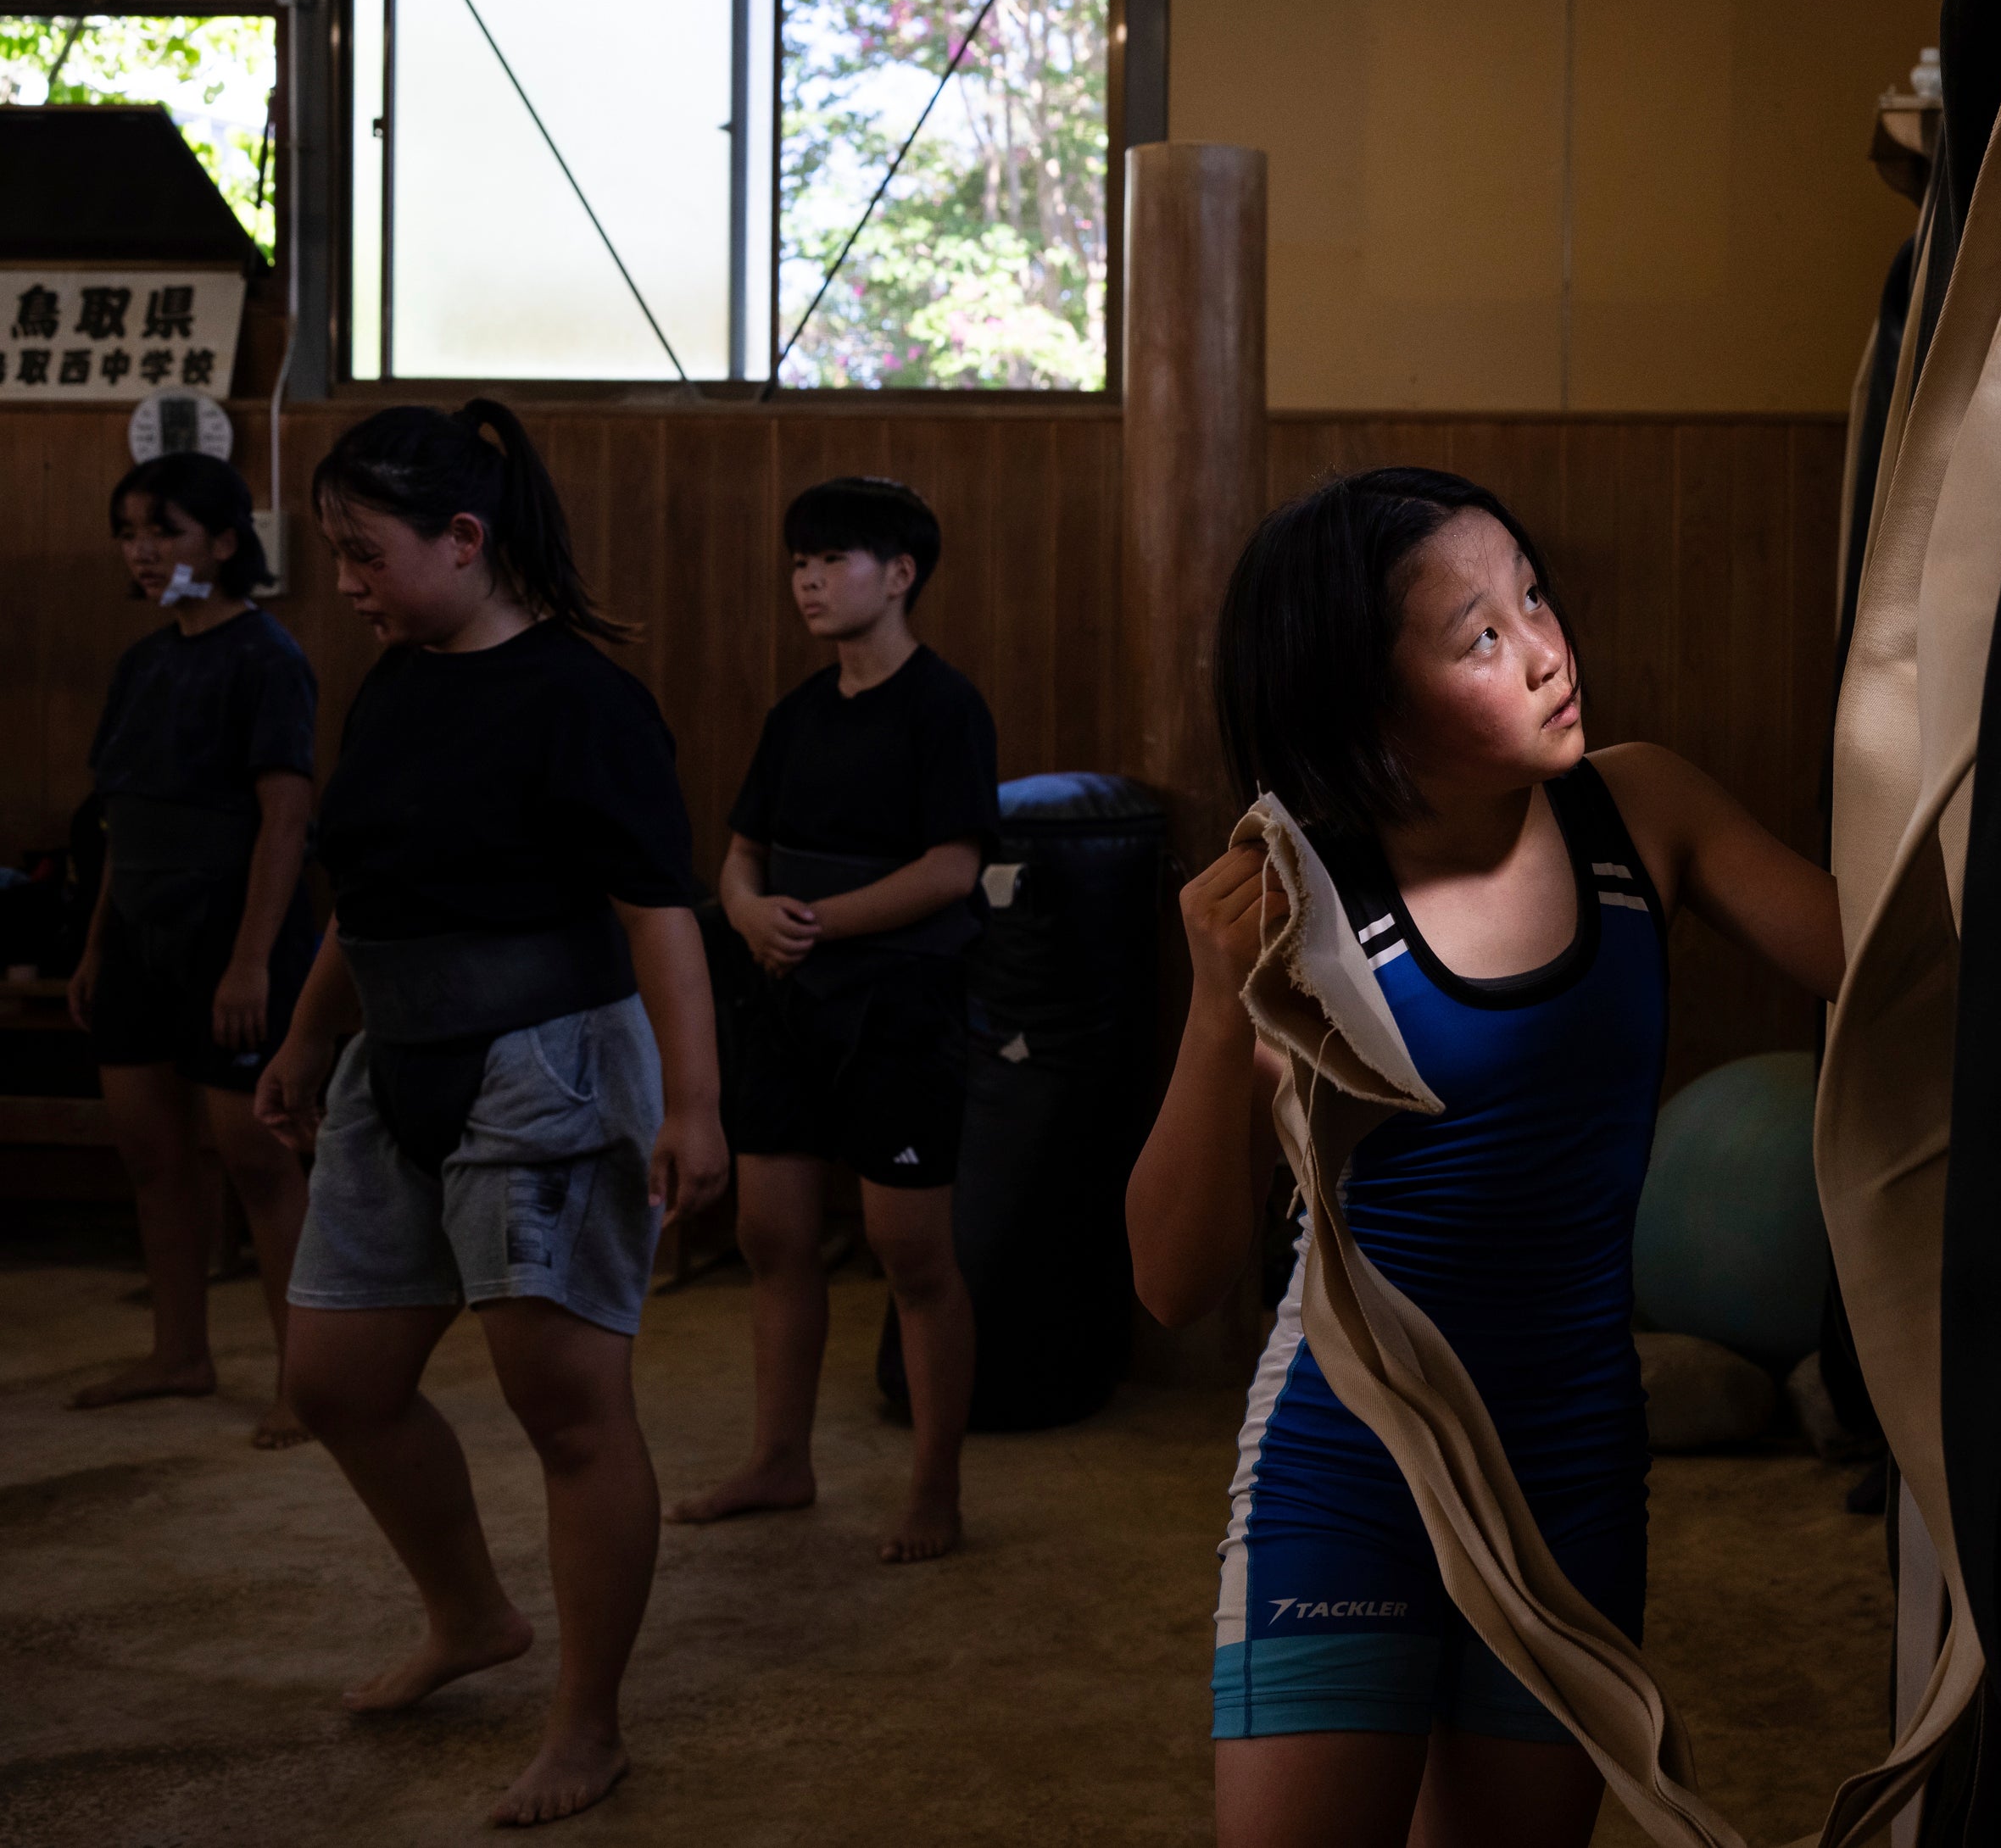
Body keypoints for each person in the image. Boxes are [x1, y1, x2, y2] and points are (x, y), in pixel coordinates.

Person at [1129, 468, 1844, 1848]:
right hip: (1352, 1468)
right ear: (1362, 703)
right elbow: (1171, 1278)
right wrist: (1218, 1011)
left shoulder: (1645, 811)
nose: (1545, 649)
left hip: (1572, 1469)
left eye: (1533, 596)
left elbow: (1902, 990)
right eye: (1477, 636)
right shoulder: (1303, 908)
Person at [253, 400, 726, 1830]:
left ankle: (590, 1724)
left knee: (568, 1409)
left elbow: (660, 914)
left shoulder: (584, 699)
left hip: (550, 1062)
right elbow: (370, 892)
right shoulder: (392, 680)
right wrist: (304, 1032)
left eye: (364, 551)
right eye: (336, 552)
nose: (344, 579)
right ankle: (472, 1617)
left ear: (467, 538)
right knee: (334, 1377)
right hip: (390, 1058)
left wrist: (696, 1105)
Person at [669, 476, 995, 1566]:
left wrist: (814, 923)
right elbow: (741, 848)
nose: (807, 579)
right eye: (799, 561)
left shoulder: (946, 707)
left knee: (910, 1252)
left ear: (899, 574)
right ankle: (779, 1460)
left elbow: (954, 867)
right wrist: (754, 911)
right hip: (786, 998)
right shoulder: (797, 712)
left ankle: (935, 1489)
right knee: (771, 1236)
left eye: (833, 559)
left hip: (897, 1004)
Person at [66, 451, 320, 1448]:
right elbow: (119, 824)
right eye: (129, 533)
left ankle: (307, 1381)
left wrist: (252, 961)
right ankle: (179, 1353)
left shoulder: (266, 656)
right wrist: (95, 946)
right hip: (136, 932)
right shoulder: (143, 661)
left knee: (258, 1155)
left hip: (233, 932)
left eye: (161, 530)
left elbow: (287, 823)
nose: (141, 551)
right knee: (149, 1150)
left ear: (223, 543)